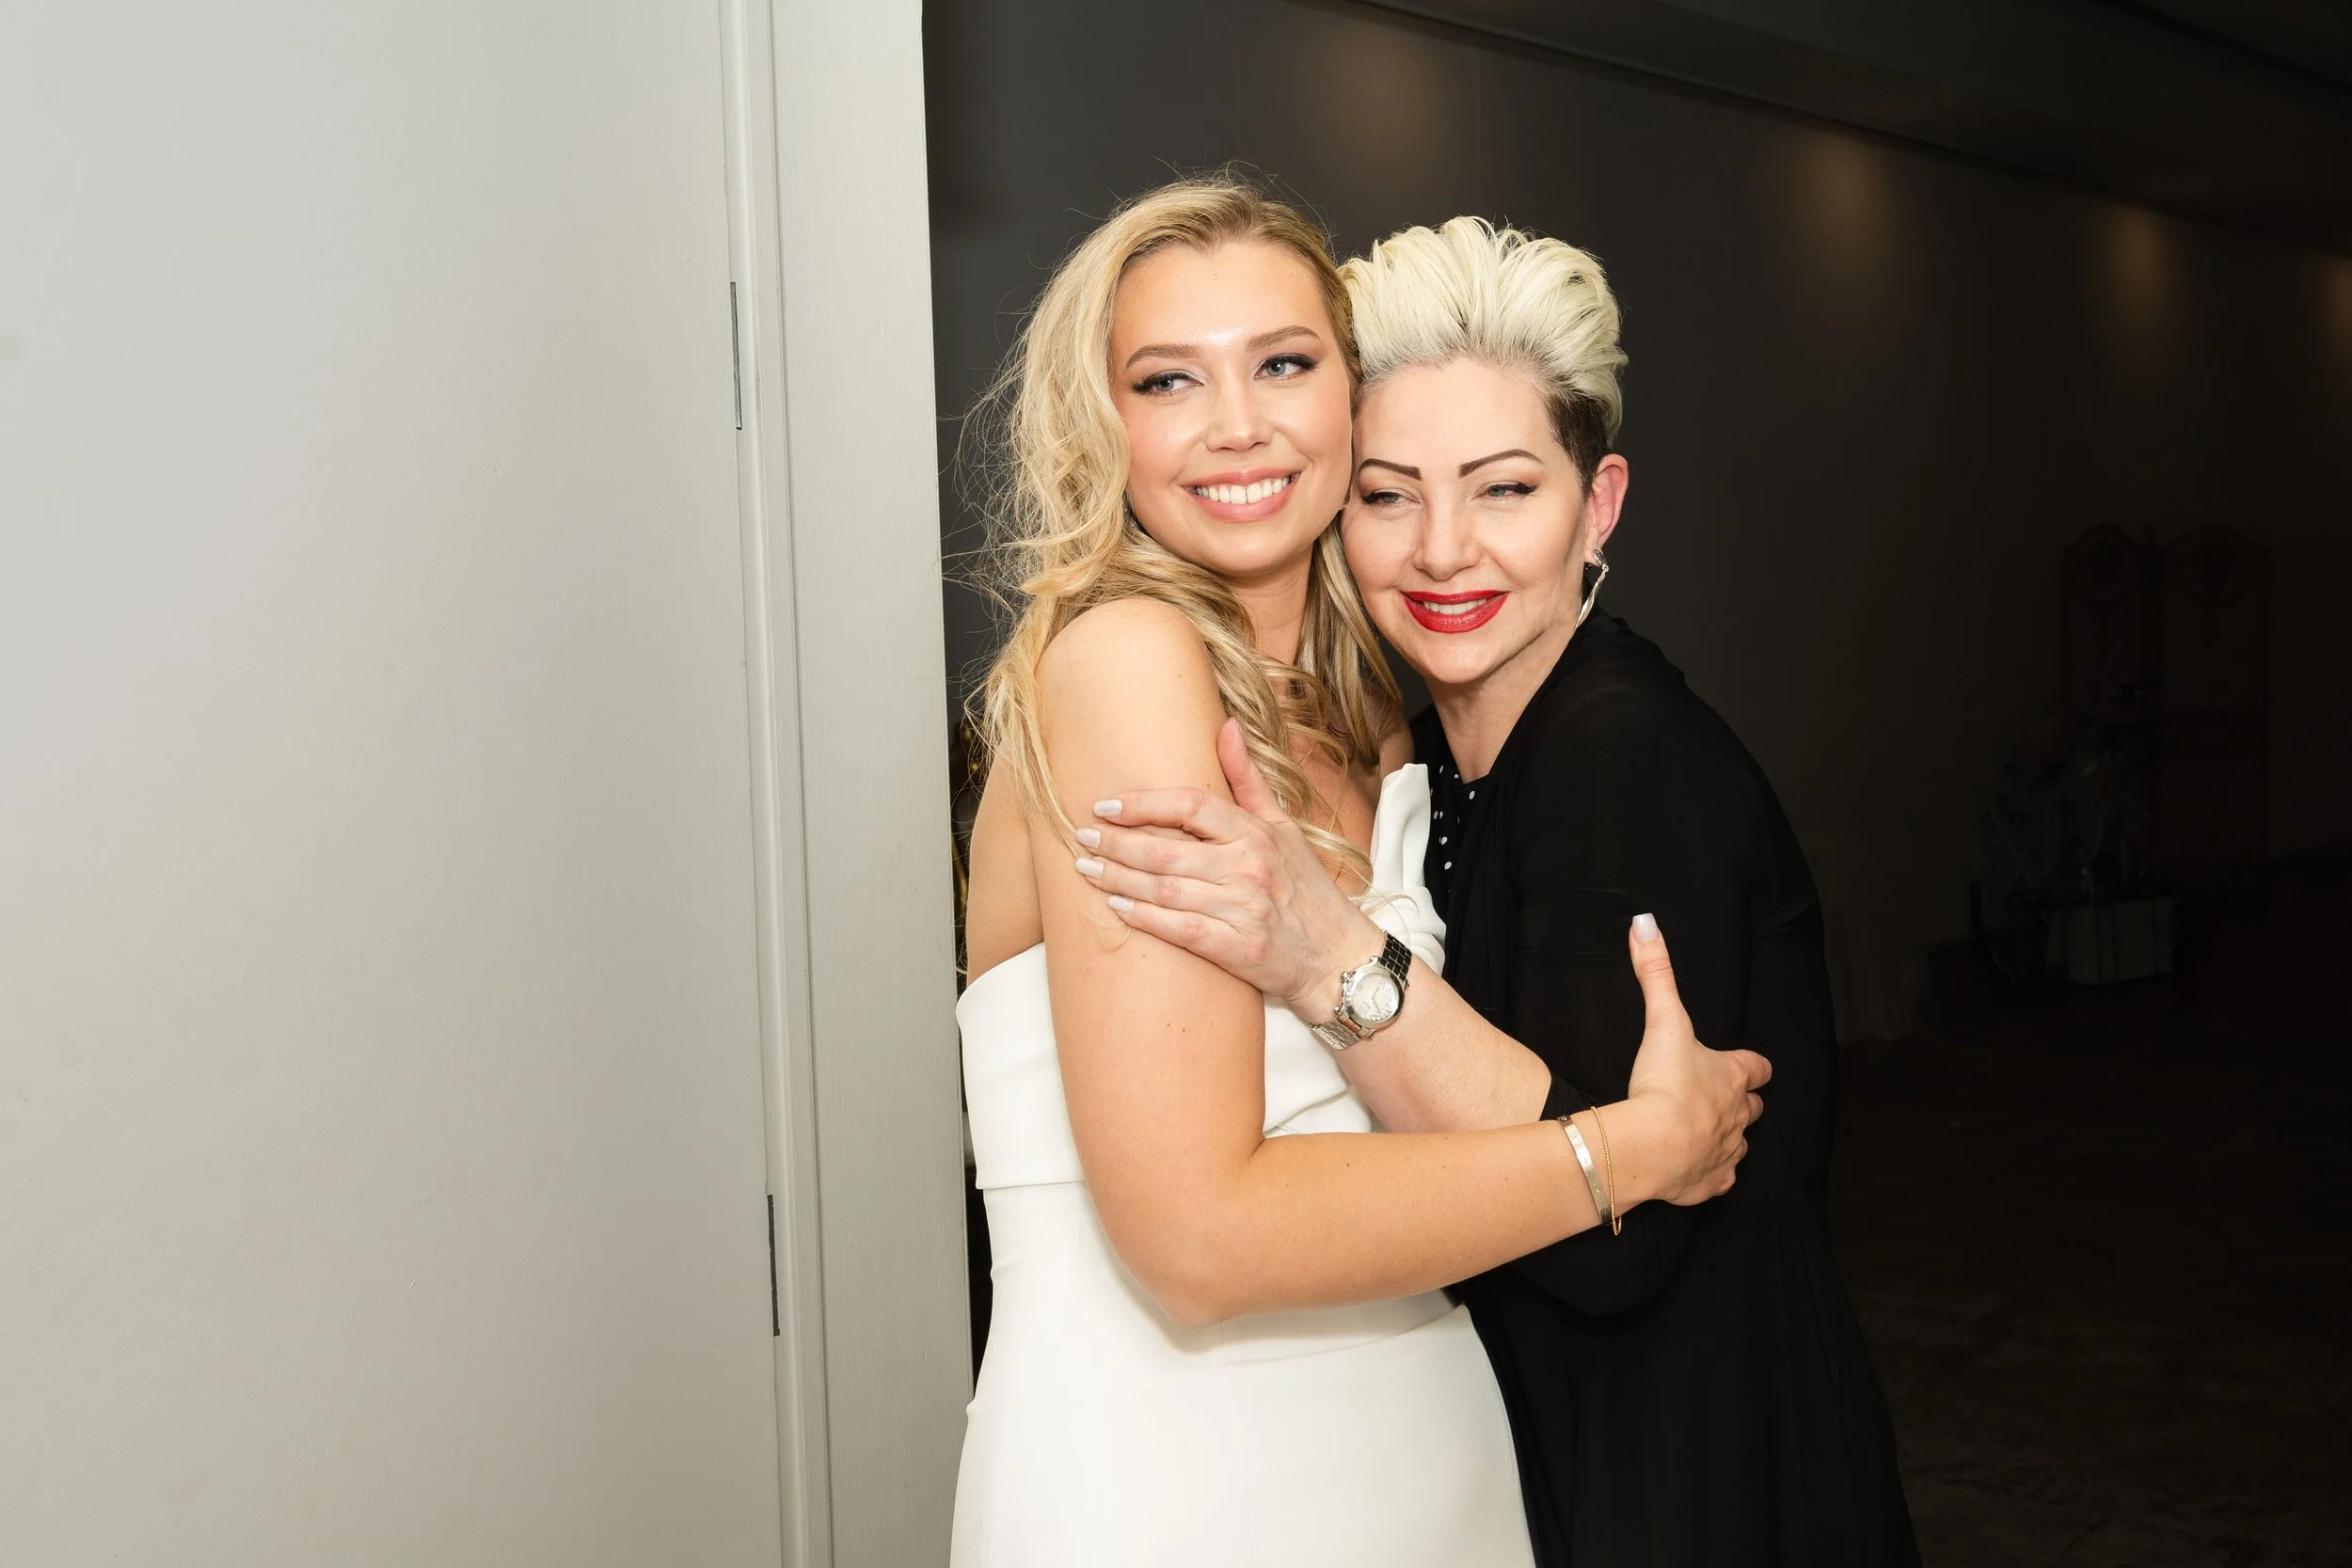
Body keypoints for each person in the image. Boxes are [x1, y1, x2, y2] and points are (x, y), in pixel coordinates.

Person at [951, 178, 1771, 1566]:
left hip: (1419, 1442)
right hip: (1181, 1472)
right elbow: (1196, 1239)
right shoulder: (1127, 662)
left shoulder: (1363, 708)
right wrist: (1625, 1151)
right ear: (1107, 422)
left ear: (1350, 391)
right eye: (1168, 379)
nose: (1239, 425)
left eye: (1283, 361)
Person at [1082, 217, 1919, 1565]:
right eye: (1389, 492)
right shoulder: (1448, 758)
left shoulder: (1620, 755)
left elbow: (1613, 1248)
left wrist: (1324, 953)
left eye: (1507, 489)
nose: (1442, 551)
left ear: (1601, 505)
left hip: (1701, 1482)